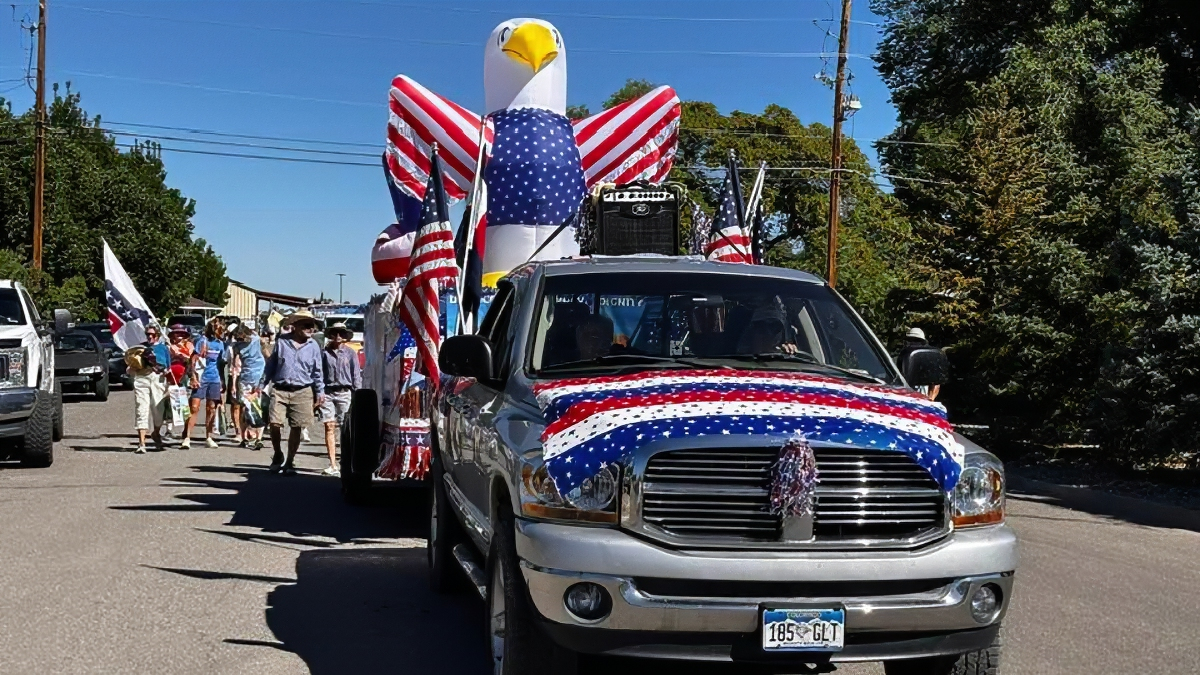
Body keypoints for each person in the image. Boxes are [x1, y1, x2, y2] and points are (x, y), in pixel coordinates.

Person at [259, 310, 324, 475]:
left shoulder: (314, 346)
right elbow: (271, 365)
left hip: (303, 391)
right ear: (295, 326)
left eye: (312, 326)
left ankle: (290, 461)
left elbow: (318, 371)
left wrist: (320, 392)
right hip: (280, 389)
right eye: (307, 325)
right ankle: (278, 453)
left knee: (297, 426)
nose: (311, 329)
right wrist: (262, 383)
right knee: (274, 423)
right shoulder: (282, 342)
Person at [318, 323, 362, 476]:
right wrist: (318, 393)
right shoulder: (324, 353)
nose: (338, 336)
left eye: (341, 333)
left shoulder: (350, 353)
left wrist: (358, 393)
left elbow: (356, 374)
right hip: (328, 392)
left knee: (345, 428)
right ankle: (332, 463)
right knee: (329, 426)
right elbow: (319, 374)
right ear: (330, 335)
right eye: (335, 333)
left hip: (345, 392)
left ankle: (345, 460)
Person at [183, 318, 227, 449]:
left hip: (214, 378)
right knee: (194, 407)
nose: (222, 333)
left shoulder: (220, 344)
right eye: (220, 330)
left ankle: (209, 436)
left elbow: (220, 363)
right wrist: (193, 377)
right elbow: (194, 360)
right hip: (201, 377)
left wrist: (222, 381)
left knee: (211, 407)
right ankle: (187, 436)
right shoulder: (202, 341)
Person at [126, 325, 170, 453]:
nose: (150, 337)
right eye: (147, 334)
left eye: (152, 334)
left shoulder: (163, 348)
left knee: (158, 410)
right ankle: (141, 443)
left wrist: (163, 370)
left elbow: (168, 367)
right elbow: (130, 367)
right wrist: (133, 366)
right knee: (141, 409)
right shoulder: (140, 348)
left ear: (157, 335)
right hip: (142, 378)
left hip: (158, 380)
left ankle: (156, 433)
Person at [230, 324, 266, 450]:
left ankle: (257, 438)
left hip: (256, 376)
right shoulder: (240, 344)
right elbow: (235, 365)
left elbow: (235, 365)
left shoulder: (253, 340)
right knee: (248, 407)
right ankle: (247, 436)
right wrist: (234, 384)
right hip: (249, 376)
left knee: (255, 407)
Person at [898, 327, 940, 401]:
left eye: (916, 341)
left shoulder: (929, 358)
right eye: (910, 340)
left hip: (922, 399)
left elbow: (936, 382)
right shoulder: (903, 355)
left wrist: (930, 399)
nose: (913, 344)